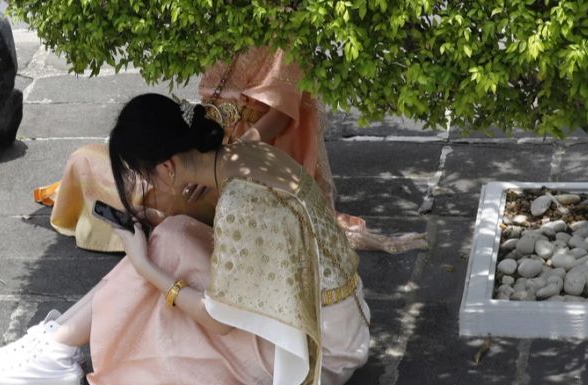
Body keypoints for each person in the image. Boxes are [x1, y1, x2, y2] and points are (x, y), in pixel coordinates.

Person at [0, 93, 371, 385]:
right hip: (333, 322)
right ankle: (59, 340)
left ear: (166, 168)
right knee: (172, 232)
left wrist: (144, 265)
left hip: (319, 355)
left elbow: (220, 321)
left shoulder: (239, 202)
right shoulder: (245, 157)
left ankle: (59, 348)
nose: (146, 186)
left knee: (159, 260)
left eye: (144, 176)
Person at [33, 46, 428, 254]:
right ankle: (149, 207)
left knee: (147, 189)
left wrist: (216, 166)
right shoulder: (220, 19)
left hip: (247, 154)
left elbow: (278, 118)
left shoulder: (286, 26)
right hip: (203, 145)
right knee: (83, 161)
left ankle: (155, 214)